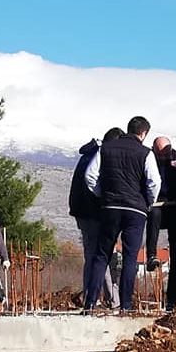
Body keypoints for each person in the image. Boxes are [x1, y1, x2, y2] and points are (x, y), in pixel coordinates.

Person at [83, 116, 161, 311]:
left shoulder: (105, 149)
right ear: (143, 133)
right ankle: (125, 306)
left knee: (102, 255)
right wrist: (148, 202)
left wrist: (103, 195)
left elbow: (90, 176)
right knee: (130, 258)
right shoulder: (146, 153)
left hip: (110, 208)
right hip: (135, 211)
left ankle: (90, 302)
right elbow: (154, 182)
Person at [68, 127, 124, 309]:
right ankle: (93, 298)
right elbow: (91, 179)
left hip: (83, 210)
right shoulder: (100, 155)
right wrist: (104, 198)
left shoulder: (89, 154)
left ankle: (109, 299)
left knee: (97, 256)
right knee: (96, 256)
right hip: (92, 211)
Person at [145, 136, 176, 310]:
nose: (162, 156)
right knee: (153, 216)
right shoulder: (149, 158)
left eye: (165, 152)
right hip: (157, 204)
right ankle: (151, 255)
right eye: (159, 153)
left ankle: (171, 300)